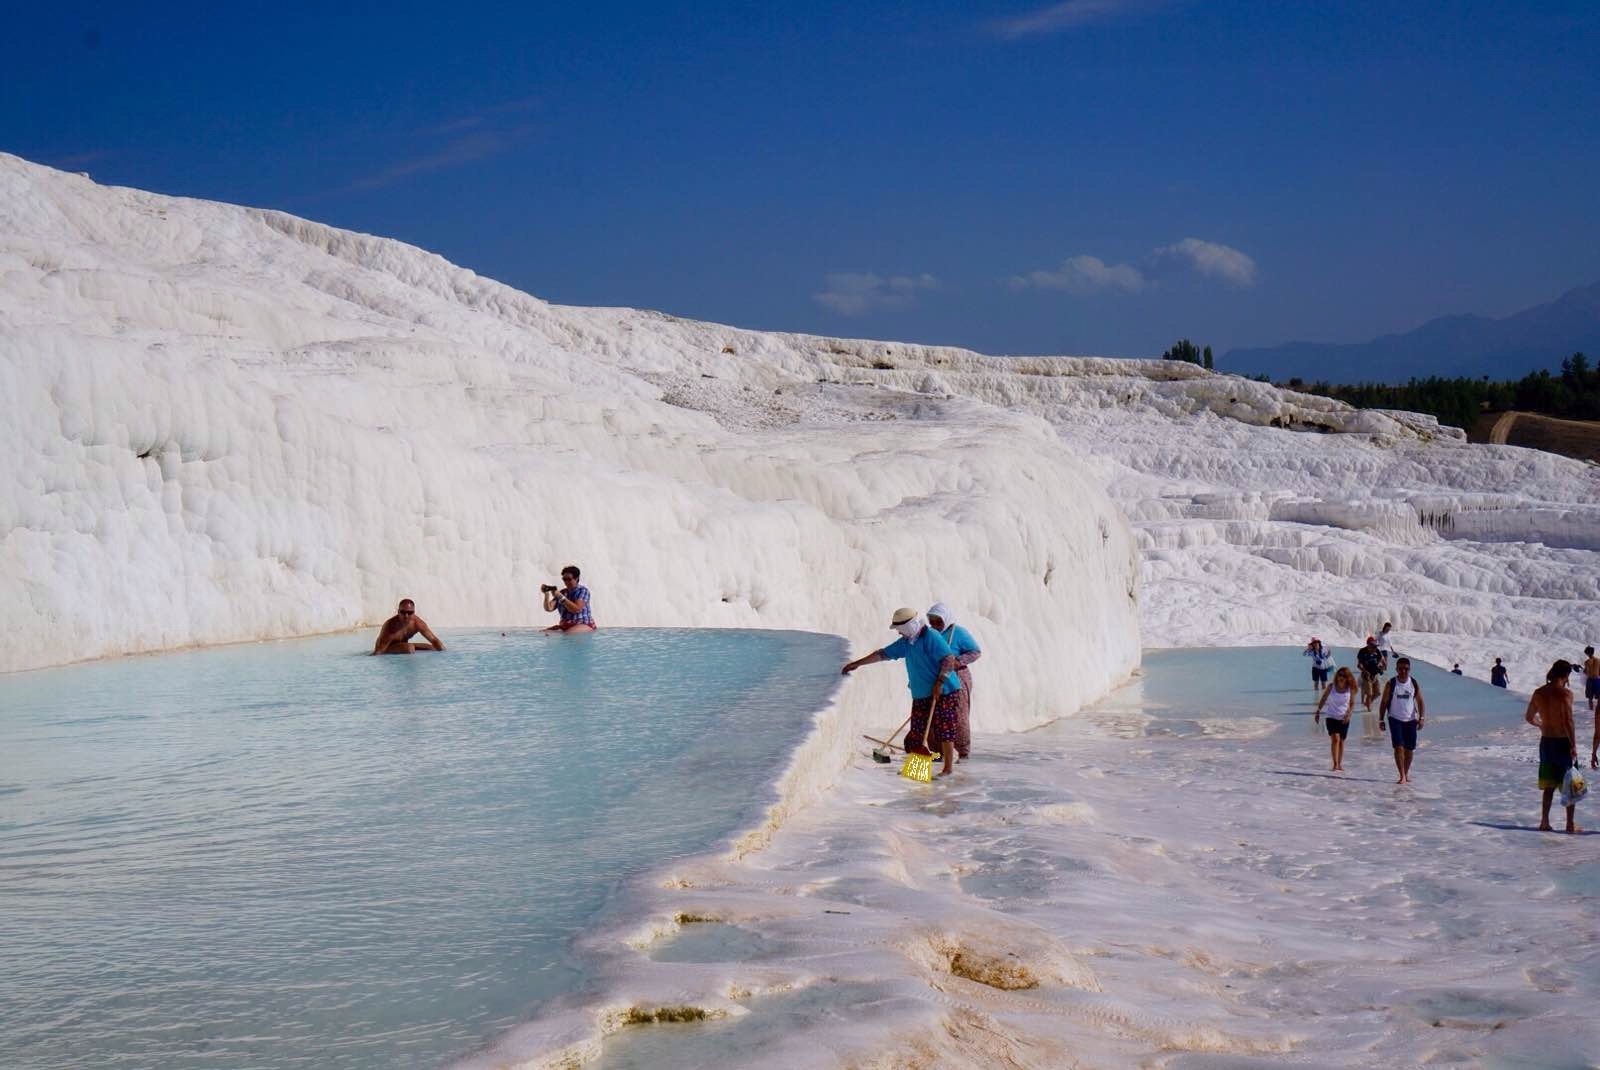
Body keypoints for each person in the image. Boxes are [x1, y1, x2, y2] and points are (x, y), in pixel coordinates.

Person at [842, 607, 963, 777]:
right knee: (917, 734)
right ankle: (918, 771)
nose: (899, 633)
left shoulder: (931, 637)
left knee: (945, 730)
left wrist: (940, 681)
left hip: (944, 691)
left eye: (900, 629)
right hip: (921, 693)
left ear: (910, 626)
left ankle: (947, 769)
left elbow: (948, 659)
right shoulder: (907, 643)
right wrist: (858, 663)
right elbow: (883, 654)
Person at [1526, 660, 1579, 833]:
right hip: (1563, 742)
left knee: (1548, 785)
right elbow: (1568, 721)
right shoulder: (1565, 694)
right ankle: (1570, 824)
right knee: (1570, 784)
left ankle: (1544, 822)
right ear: (1566, 676)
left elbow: (1529, 717)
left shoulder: (1539, 693)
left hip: (1546, 742)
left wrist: (1540, 724)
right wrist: (1573, 745)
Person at [927, 602, 982, 760]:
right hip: (936, 677)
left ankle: (962, 752)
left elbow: (975, 651)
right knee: (933, 715)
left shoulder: (958, 633)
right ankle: (938, 752)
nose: (935, 624)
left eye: (939, 621)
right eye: (932, 621)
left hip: (957, 677)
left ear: (946, 620)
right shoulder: (930, 634)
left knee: (958, 714)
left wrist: (958, 661)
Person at [1379, 656, 1425, 784]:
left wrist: (1421, 718)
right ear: (1396, 669)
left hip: (1411, 720)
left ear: (1409, 669)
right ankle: (1401, 775)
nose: (1403, 671)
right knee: (1398, 747)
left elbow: (1420, 701)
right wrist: (1381, 720)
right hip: (1395, 719)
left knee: (1409, 749)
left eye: (1406, 669)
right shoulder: (1391, 683)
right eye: (1400, 669)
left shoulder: (1413, 683)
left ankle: (1406, 772)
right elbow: (1383, 702)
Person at [1314, 666, 1359, 772]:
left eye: (1344, 676)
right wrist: (1318, 711)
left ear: (1347, 677)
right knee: (1335, 739)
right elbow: (1324, 698)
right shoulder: (1331, 687)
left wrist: (1349, 714)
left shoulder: (1350, 688)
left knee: (1342, 741)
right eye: (1339, 675)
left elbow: (1352, 704)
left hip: (1344, 718)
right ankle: (1334, 764)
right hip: (1331, 716)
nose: (1341, 677)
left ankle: (1339, 764)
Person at [371, 598, 444, 654]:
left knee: (433, 648)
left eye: (409, 612)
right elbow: (379, 651)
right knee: (409, 648)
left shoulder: (417, 623)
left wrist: (446, 656)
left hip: (402, 646)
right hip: (386, 647)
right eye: (403, 612)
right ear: (398, 612)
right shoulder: (391, 626)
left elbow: (434, 640)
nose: (406, 616)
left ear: (414, 612)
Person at [542, 565, 595, 632]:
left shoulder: (583, 591)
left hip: (583, 624)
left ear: (576, 578)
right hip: (566, 625)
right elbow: (549, 608)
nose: (566, 582)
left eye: (569, 579)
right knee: (544, 633)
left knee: (567, 635)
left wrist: (561, 597)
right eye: (564, 579)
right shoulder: (562, 592)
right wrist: (546, 595)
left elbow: (576, 609)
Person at [1356, 636, 1385, 711]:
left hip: (1375, 675)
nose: (1374, 648)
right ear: (1368, 645)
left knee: (1378, 693)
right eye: (1373, 646)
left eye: (1375, 646)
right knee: (1369, 694)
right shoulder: (1362, 652)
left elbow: (1382, 661)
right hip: (1366, 676)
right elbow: (1359, 665)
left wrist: (1381, 668)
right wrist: (1365, 671)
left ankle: (1367, 703)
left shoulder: (1377, 651)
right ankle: (1369, 709)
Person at [1584, 646, 1600, 715]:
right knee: (1599, 697)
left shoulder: (1587, 662)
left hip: (1590, 680)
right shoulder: (1598, 661)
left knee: (1590, 698)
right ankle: (1598, 712)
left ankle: (1591, 712)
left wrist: (1584, 671)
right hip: (1597, 680)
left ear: (1587, 653)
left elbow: (1587, 672)